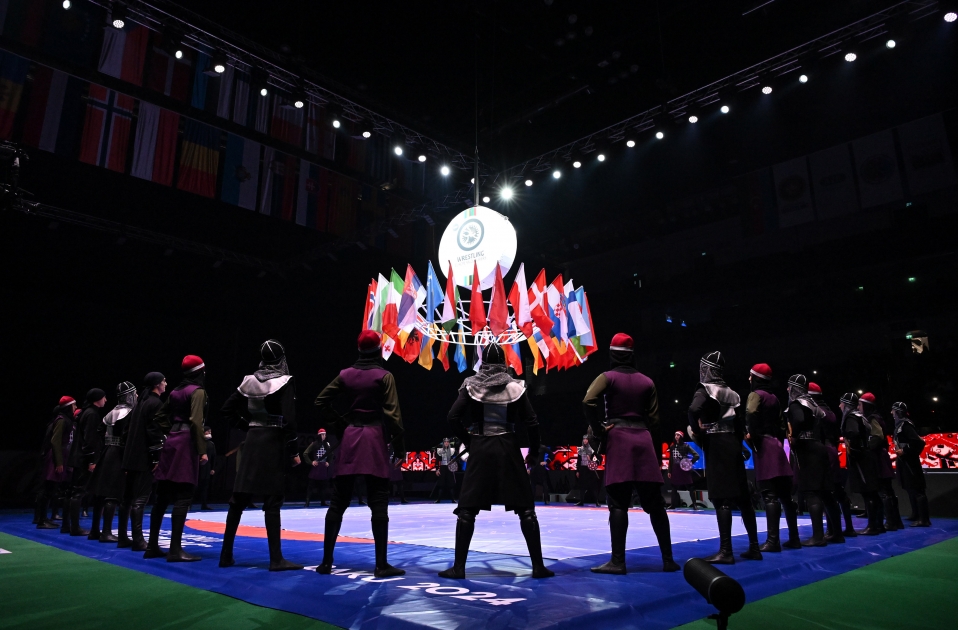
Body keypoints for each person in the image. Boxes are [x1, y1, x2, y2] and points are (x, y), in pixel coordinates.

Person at [438, 342, 553, 579]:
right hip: (508, 447)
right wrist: (532, 452)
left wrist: (469, 440)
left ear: (483, 363)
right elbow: (532, 422)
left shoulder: (471, 385)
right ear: (503, 361)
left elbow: (452, 416)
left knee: (468, 509)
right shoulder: (516, 387)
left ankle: (459, 568)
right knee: (526, 509)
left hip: (480, 446)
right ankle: (538, 567)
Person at [583, 333, 679, 574]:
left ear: (612, 354)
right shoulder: (647, 382)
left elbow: (588, 401)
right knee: (655, 504)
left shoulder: (607, 377)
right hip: (644, 440)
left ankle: (618, 561)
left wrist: (598, 428)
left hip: (619, 440)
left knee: (617, 504)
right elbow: (655, 422)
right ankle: (668, 560)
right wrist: (656, 456)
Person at [314, 331, 406, 578]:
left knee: (338, 501)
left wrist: (342, 423)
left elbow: (320, 401)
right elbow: (393, 416)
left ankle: (325, 562)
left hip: (351, 437)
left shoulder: (346, 375)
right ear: (378, 350)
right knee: (379, 501)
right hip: (374, 437)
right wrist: (399, 446)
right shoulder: (385, 376)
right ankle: (381, 565)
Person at [219, 339, 303, 571]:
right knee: (273, 500)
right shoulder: (285, 382)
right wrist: (294, 451)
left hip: (253, 440)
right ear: (281, 359)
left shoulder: (249, 381)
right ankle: (276, 559)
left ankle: (225, 555)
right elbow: (289, 420)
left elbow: (226, 410)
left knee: (237, 501)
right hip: (273, 442)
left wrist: (246, 425)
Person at [688, 351, 762, 564]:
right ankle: (754, 548)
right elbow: (740, 425)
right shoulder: (733, 393)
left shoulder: (706, 389)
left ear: (707, 369)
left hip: (717, 444)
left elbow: (693, 409)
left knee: (721, 499)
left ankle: (725, 551)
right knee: (743, 498)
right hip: (733, 444)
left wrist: (697, 431)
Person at [144, 355, 208, 562]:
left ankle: (152, 546)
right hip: (186, 443)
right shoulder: (197, 392)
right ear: (200, 372)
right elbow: (197, 423)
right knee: (183, 495)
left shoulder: (175, 391)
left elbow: (160, 417)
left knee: (163, 495)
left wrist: (171, 431)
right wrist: (202, 449)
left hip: (171, 441)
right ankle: (175, 550)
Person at [744, 364, 801, 552]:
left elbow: (751, 412)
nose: (749, 379)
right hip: (777, 445)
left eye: (751, 376)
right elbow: (782, 424)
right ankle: (794, 537)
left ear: (757, 378)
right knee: (785, 496)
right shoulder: (775, 398)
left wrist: (753, 434)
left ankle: (772, 541)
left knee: (769, 495)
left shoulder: (755, 396)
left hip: (765, 447)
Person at [786, 374, 843, 546]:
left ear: (794, 388)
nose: (787, 390)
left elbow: (799, 420)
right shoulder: (814, 404)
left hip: (807, 448)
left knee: (811, 492)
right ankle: (837, 534)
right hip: (820, 447)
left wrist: (794, 435)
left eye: (789, 387)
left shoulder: (797, 404)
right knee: (826, 492)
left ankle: (817, 536)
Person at [119, 372, 166, 550]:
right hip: (143, 458)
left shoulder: (140, 404)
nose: (166, 384)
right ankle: (138, 540)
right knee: (140, 499)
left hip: (131, 458)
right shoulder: (155, 403)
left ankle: (123, 537)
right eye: (164, 381)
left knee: (128, 498)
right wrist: (156, 457)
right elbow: (154, 432)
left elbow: (126, 434)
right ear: (157, 385)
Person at [87, 382, 137, 543]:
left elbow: (100, 432)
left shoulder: (110, 413)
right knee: (113, 495)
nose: (136, 396)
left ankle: (95, 530)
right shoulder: (129, 413)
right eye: (134, 393)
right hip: (119, 454)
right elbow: (127, 439)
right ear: (129, 395)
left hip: (107, 453)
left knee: (101, 494)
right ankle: (106, 532)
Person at [809, 383, 856, 539]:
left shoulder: (816, 411)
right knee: (836, 492)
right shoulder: (829, 411)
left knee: (826, 493)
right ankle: (841, 529)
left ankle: (834, 532)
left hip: (823, 453)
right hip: (832, 451)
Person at [65, 389, 107, 537]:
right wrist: (91, 460)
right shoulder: (92, 414)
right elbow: (90, 439)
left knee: (75, 492)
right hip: (84, 459)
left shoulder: (86, 412)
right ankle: (74, 528)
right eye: (103, 397)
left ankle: (68, 526)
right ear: (97, 399)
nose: (105, 400)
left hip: (79, 457)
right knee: (78, 492)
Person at [839, 392, 883, 535]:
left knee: (868, 492)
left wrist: (852, 447)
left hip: (861, 458)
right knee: (872, 492)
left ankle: (872, 526)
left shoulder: (852, 417)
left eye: (841, 403)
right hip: (866, 456)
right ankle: (877, 525)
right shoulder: (861, 417)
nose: (840, 406)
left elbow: (853, 433)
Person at [860, 393, 904, 531]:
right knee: (887, 491)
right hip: (881, 456)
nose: (858, 407)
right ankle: (895, 521)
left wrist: (866, 448)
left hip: (878, 458)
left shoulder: (872, 419)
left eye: (860, 405)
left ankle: (890, 522)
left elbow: (877, 437)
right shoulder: (876, 417)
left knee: (883, 491)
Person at [36, 397, 77, 529]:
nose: (75, 408)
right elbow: (55, 441)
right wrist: (58, 462)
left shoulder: (66, 420)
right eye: (74, 405)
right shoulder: (61, 420)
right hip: (55, 458)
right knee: (47, 488)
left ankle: (44, 518)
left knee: (51, 489)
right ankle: (41, 520)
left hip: (60, 456)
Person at [891, 402, 931, 527]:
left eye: (893, 410)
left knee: (917, 488)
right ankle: (916, 514)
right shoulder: (900, 425)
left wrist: (905, 450)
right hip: (904, 460)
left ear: (897, 411)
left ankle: (924, 519)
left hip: (910, 461)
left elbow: (918, 442)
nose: (891, 413)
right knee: (909, 487)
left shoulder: (906, 425)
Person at [668, 431, 699, 510]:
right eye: (675, 435)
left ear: (681, 436)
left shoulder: (686, 446)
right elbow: (671, 459)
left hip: (684, 469)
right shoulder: (672, 447)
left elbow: (696, 455)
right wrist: (669, 471)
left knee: (690, 487)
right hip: (675, 469)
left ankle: (695, 505)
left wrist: (689, 463)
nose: (676, 436)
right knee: (674, 488)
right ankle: (673, 505)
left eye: (678, 435)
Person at [304, 428, 333, 507]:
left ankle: (323, 501)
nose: (324, 436)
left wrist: (328, 462)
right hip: (316, 466)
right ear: (319, 435)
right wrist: (311, 462)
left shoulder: (327, 444)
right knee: (311, 485)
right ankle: (307, 502)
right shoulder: (314, 444)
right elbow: (305, 453)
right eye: (322, 435)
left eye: (325, 435)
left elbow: (331, 454)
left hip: (323, 466)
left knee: (323, 486)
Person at [574, 435, 601, 507]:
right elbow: (578, 460)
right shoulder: (580, 449)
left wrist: (594, 463)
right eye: (584, 439)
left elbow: (599, 458)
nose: (585, 441)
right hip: (582, 469)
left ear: (588, 440)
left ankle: (596, 502)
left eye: (586, 439)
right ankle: (581, 501)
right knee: (582, 486)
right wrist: (577, 470)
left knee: (593, 486)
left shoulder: (591, 449)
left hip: (590, 470)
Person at [196, 427, 217, 510]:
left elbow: (213, 457)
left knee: (205, 487)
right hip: (198, 467)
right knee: (195, 486)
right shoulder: (198, 443)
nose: (209, 433)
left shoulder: (211, 444)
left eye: (210, 431)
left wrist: (213, 468)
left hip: (207, 468)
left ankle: (204, 504)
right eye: (208, 431)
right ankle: (189, 504)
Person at [432, 438, 458, 503]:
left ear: (449, 443)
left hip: (450, 468)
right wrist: (437, 469)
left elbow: (457, 457)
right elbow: (437, 460)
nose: (446, 443)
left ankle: (453, 499)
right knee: (441, 484)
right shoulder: (440, 450)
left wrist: (454, 464)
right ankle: (438, 499)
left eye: (447, 442)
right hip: (443, 467)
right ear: (443, 443)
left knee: (451, 484)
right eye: (445, 442)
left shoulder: (452, 450)